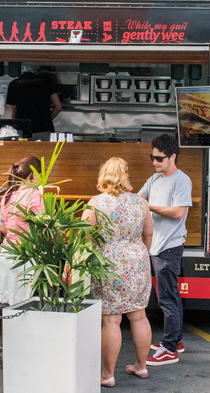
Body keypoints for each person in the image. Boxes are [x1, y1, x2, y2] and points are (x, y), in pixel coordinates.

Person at [82, 157, 154, 388]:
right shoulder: (141, 203)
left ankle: (108, 374)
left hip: (107, 262)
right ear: (126, 177)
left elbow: (84, 236)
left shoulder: (95, 202)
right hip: (138, 260)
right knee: (139, 315)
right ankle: (141, 366)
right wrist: (140, 254)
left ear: (104, 176)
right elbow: (149, 234)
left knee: (111, 321)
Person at [138, 134, 193, 366]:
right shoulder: (154, 179)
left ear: (173, 157)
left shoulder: (181, 180)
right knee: (170, 297)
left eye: (160, 158)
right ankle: (176, 341)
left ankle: (170, 349)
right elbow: (139, 199)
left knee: (167, 299)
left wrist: (150, 206)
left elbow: (179, 212)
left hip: (169, 247)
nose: (155, 162)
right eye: (153, 157)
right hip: (157, 246)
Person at [0, 156, 44, 305]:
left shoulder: (8, 196)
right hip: (27, 255)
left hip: (8, 253)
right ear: (33, 174)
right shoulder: (35, 196)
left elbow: (3, 228)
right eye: (41, 173)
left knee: (10, 305)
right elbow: (44, 228)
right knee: (24, 304)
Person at [6, 68, 62, 141]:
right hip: (45, 129)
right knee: (47, 152)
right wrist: (47, 120)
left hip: (24, 131)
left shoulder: (13, 84)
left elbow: (13, 113)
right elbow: (58, 107)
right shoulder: (46, 81)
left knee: (26, 152)